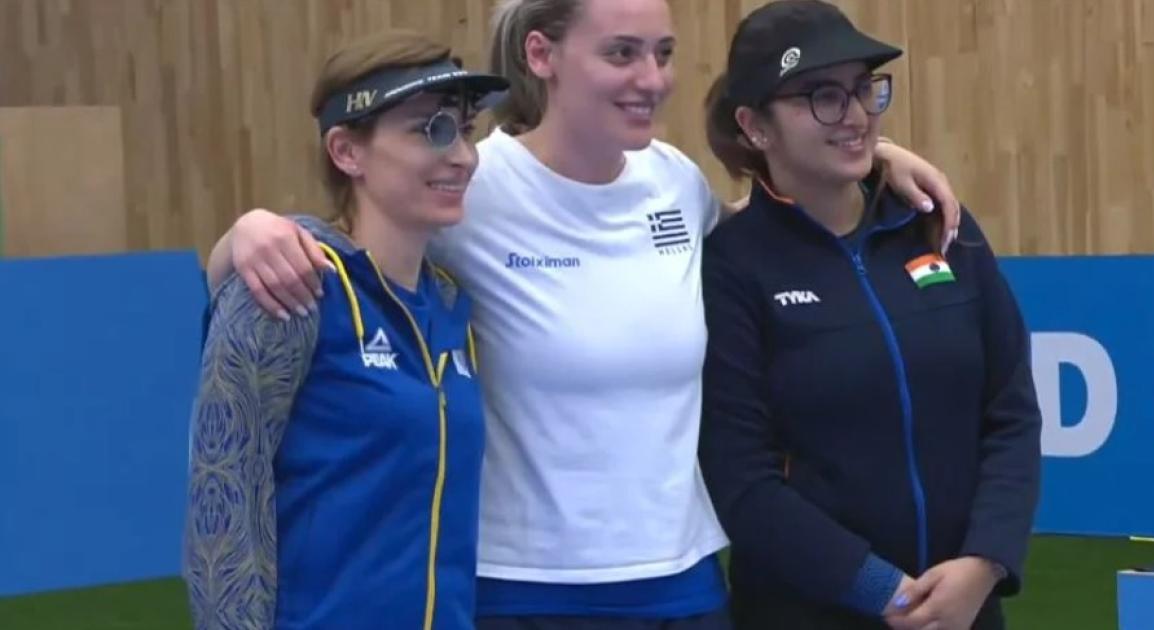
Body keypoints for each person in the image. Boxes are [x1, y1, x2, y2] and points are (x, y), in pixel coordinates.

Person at [202, 1, 965, 628]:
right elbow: (358, 241)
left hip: (687, 586)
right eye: (622, 53)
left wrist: (871, 160)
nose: (651, 78)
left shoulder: (674, 184)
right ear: (541, 54)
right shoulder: (474, 188)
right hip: (523, 594)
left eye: (663, 53)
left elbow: (768, 229)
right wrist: (248, 234)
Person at [698, 2, 1042, 629]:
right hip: (806, 614)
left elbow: (1011, 413)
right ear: (754, 126)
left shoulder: (940, 225)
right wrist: (885, 592)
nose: (855, 115)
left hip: (965, 608)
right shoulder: (730, 266)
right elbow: (741, 480)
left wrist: (985, 562)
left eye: (862, 89)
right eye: (822, 97)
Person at [182, 29, 508, 630]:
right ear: (346, 152)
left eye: (464, 129)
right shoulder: (290, 288)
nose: (463, 155)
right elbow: (223, 503)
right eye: (431, 129)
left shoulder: (451, 306)